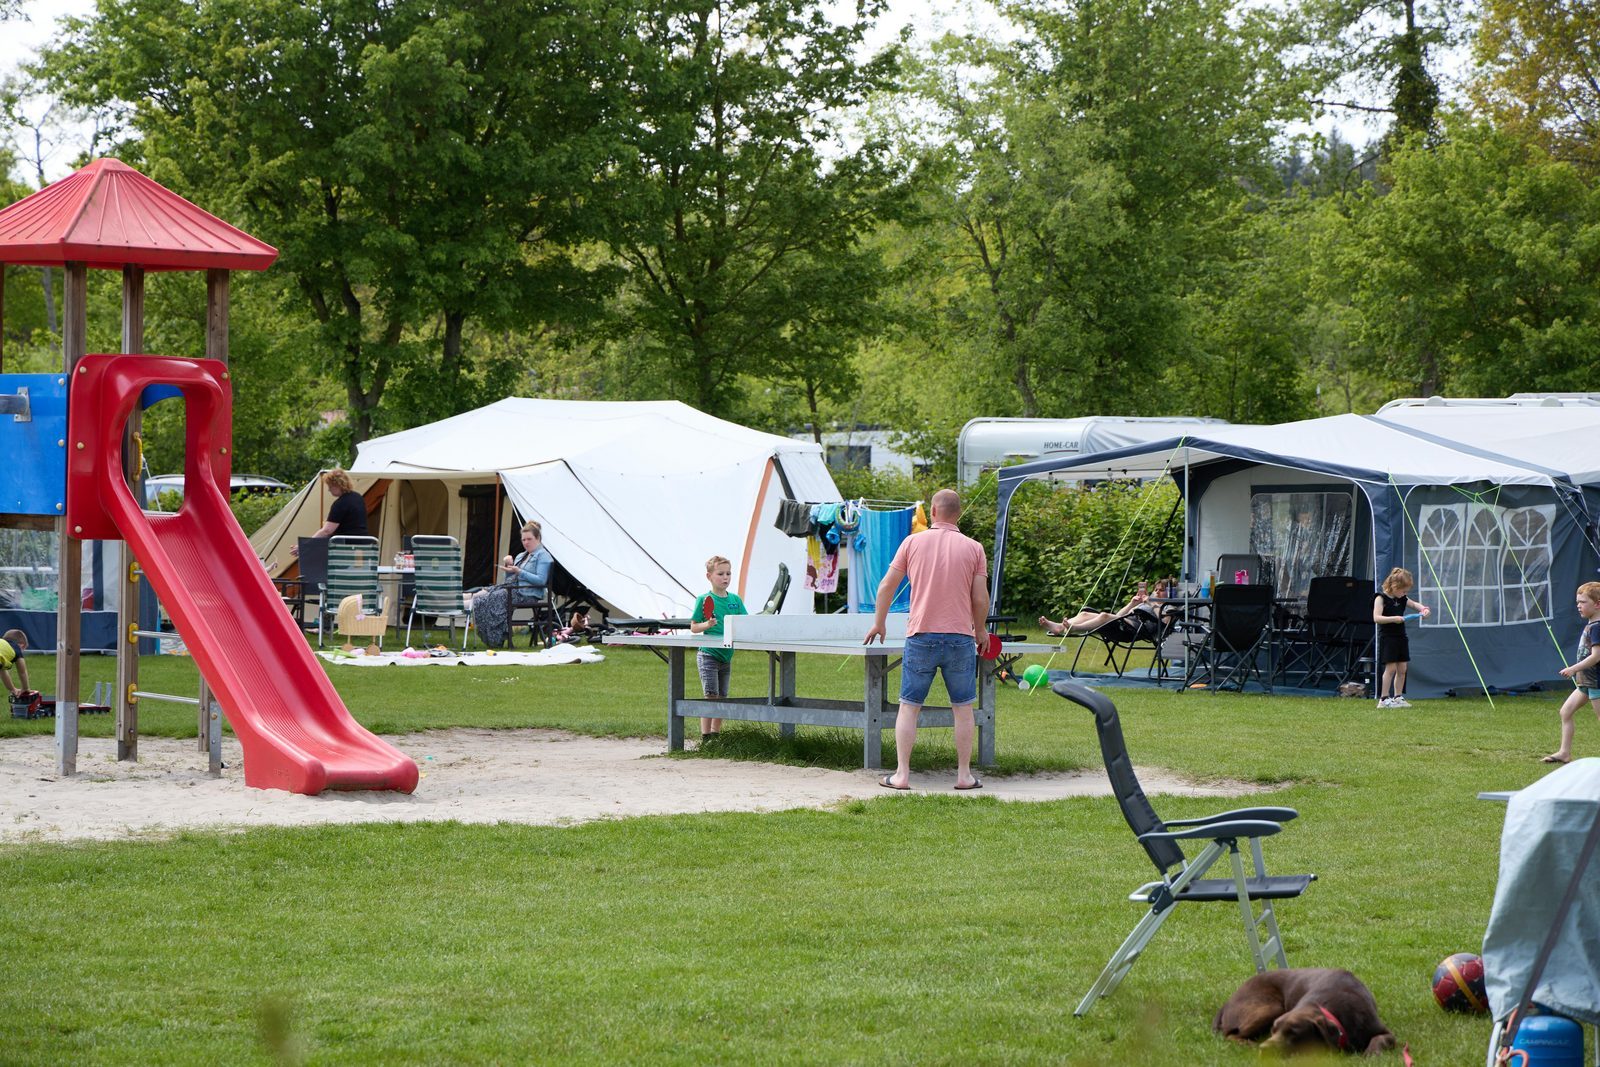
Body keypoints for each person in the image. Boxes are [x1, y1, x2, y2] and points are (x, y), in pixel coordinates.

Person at [864, 488, 989, 791]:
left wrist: (879, 622)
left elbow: (886, 586)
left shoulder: (912, 542)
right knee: (963, 708)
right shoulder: (974, 548)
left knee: (909, 706)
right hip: (960, 637)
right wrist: (981, 630)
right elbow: (979, 597)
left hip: (921, 635)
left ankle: (902, 775)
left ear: (932, 511)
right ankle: (963, 775)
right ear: (958, 514)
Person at [688, 555, 748, 745]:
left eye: (728, 573)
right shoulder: (704, 599)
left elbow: (745, 622)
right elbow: (694, 627)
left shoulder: (735, 600)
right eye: (720, 574)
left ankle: (716, 736)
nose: (725, 577)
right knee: (710, 696)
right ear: (709, 576)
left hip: (726, 656)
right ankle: (706, 738)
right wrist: (707, 624)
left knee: (722, 697)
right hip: (708, 654)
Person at [471, 521, 553, 648]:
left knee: (484, 599)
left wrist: (519, 571)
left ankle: (494, 637)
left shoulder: (543, 556)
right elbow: (511, 579)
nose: (526, 542)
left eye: (529, 539)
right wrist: (509, 568)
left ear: (538, 538)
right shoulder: (521, 555)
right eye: (523, 540)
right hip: (512, 589)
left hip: (527, 594)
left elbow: (541, 581)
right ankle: (454, 601)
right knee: (479, 594)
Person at [1544, 581, 1600, 765]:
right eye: (1577, 602)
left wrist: (1573, 668)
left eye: (1583, 602)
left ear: (1597, 604)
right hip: (1585, 682)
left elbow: (1596, 656)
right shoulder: (1591, 625)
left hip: (1596, 682)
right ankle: (1564, 753)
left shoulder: (1597, 627)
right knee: (1565, 712)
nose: (1578, 606)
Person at [1038, 578, 1176, 641]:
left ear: (1170, 592)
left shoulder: (1170, 607)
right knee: (1085, 613)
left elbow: (1165, 623)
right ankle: (1059, 627)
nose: (1156, 592)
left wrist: (1152, 603)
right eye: (1155, 589)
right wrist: (1132, 604)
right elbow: (1119, 615)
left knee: (1104, 616)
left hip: (1133, 631)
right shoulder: (1147, 601)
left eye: (1161, 590)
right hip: (1124, 623)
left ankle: (1074, 628)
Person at [1373, 567, 1429, 707]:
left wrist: (1424, 609)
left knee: (1402, 669)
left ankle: (1398, 697)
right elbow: (1376, 618)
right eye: (1403, 591)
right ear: (1394, 586)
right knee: (1390, 669)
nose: (1405, 594)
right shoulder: (1380, 598)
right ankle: (1384, 699)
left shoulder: (1402, 598)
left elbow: (1414, 604)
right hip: (1388, 638)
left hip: (1401, 637)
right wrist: (1394, 619)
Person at [290, 469, 368, 556]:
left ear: (337, 485)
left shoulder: (340, 504)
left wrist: (305, 545)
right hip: (363, 545)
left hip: (346, 548)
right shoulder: (358, 498)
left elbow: (327, 531)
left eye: (330, 486)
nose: (329, 490)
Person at [1, 628, 34, 700]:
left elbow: (3, 672)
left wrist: (12, 689)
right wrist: (25, 688)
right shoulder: (16, 648)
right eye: (23, 650)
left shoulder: (3, 646)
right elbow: (22, 672)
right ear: (21, 645)